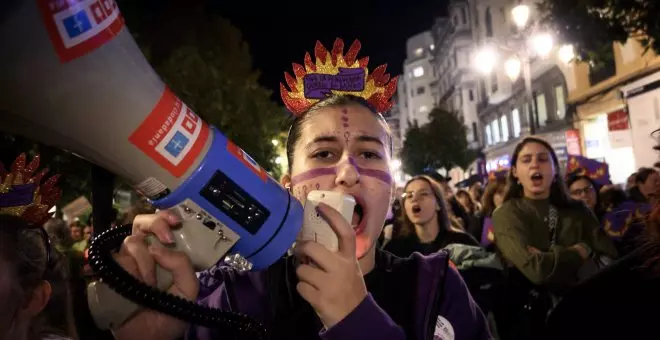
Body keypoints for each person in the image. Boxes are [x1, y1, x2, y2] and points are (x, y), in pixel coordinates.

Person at [111, 39, 490, 340]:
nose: (347, 173)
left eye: (369, 154)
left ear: (391, 191)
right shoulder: (225, 298)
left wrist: (359, 323)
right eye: (324, 152)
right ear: (289, 188)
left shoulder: (436, 288)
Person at [491, 137, 618, 339]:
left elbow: (609, 259)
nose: (535, 164)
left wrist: (547, 256)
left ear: (555, 169)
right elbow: (536, 270)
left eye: (542, 159)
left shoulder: (579, 210)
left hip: (588, 316)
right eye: (526, 160)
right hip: (536, 324)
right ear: (515, 172)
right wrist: (580, 251)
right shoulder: (506, 214)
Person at [545, 130, 660, 339]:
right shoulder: (591, 303)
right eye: (576, 192)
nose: (583, 196)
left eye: (587, 190)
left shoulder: (616, 217)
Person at [385, 176, 479, 258]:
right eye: (409, 195)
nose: (415, 199)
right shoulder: (394, 251)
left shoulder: (463, 244)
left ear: (438, 204)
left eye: (423, 193)